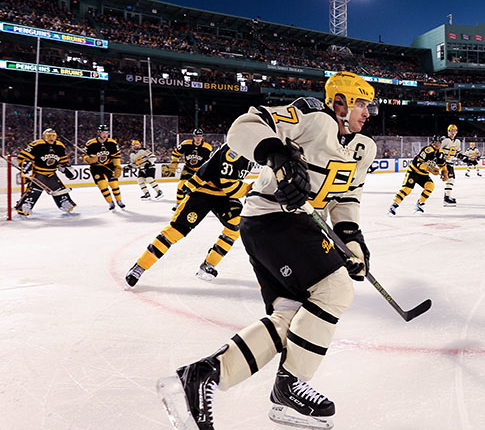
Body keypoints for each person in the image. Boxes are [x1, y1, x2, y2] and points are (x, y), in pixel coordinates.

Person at [157, 71, 376, 430]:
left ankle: (200, 377)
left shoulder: (363, 148)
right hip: (273, 219)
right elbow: (244, 126)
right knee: (335, 290)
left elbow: (347, 200)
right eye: (361, 104)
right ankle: (289, 387)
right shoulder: (312, 115)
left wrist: (353, 242)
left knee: (289, 317)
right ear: (340, 101)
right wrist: (277, 154)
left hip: (296, 226)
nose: (367, 113)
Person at [124, 144, 253, 287]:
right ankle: (139, 267)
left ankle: (208, 265)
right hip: (203, 191)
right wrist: (251, 189)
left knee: (236, 225)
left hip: (223, 195)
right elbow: (229, 186)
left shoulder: (252, 152)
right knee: (176, 231)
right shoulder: (234, 150)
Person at [14, 128, 77, 216]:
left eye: (53, 136)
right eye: (49, 136)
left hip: (51, 173)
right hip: (38, 173)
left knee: (59, 189)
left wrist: (65, 168)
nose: (51, 138)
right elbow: (23, 157)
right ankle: (26, 204)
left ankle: (64, 202)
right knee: (35, 189)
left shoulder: (60, 146)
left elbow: (63, 161)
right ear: (44, 136)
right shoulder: (37, 144)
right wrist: (26, 167)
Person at [388, 135, 444, 216]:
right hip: (414, 172)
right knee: (407, 189)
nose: (437, 144)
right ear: (432, 143)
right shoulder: (427, 150)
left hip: (423, 175)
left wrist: (443, 172)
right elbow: (419, 164)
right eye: (435, 142)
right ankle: (393, 206)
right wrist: (430, 169)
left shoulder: (440, 153)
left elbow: (442, 165)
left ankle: (420, 203)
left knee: (430, 186)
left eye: (439, 142)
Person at [165, 128, 213, 209]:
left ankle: (200, 204)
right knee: (181, 185)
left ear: (202, 137)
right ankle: (178, 204)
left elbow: (210, 161)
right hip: (187, 168)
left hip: (200, 170)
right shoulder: (186, 143)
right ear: (193, 137)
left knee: (200, 189)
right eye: (196, 136)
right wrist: (174, 162)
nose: (198, 138)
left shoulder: (207, 147)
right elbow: (176, 153)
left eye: (200, 136)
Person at [84, 124, 124, 210]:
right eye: (103, 132)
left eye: (107, 132)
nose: (105, 135)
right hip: (96, 167)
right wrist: (88, 159)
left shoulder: (112, 143)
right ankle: (110, 202)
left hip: (108, 165)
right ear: (98, 133)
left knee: (114, 183)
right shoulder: (91, 144)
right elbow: (84, 156)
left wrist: (117, 166)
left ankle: (119, 201)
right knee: (102, 185)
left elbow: (116, 155)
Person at [438, 124, 477, 206]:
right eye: (451, 130)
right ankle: (447, 198)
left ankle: (447, 197)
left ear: (456, 132)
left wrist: (465, 158)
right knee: (451, 178)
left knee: (451, 179)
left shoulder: (457, 142)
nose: (452, 132)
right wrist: (440, 157)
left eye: (454, 131)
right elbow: (437, 150)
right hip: (444, 163)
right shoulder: (445, 140)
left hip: (450, 163)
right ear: (448, 131)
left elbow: (457, 154)